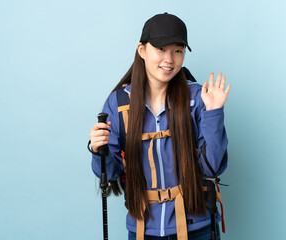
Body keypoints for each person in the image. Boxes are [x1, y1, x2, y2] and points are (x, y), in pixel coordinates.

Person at [89, 12, 230, 240]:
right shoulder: (119, 102)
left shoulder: (198, 97)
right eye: (161, 49)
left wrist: (214, 114)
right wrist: (98, 149)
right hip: (143, 230)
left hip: (197, 228)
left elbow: (211, 169)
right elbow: (110, 172)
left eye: (178, 50)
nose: (169, 59)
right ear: (142, 50)